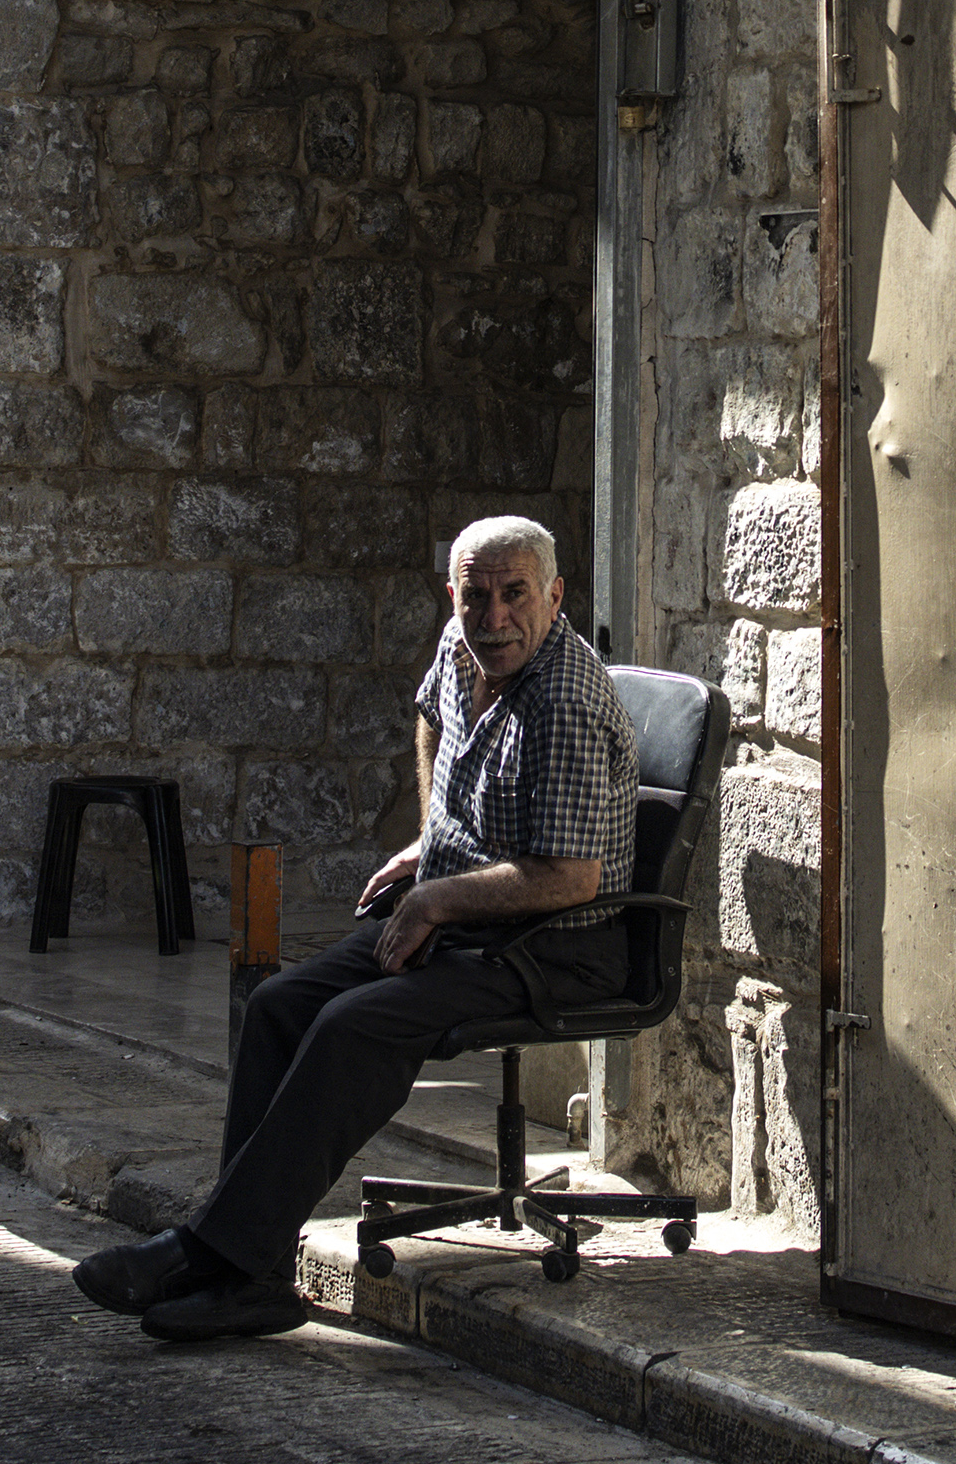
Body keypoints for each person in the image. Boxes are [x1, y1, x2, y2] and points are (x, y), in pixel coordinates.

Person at [75, 512, 638, 1342]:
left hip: (559, 945)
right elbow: (429, 721)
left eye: (515, 595)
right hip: (470, 914)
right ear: (454, 596)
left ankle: (209, 1250)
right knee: (279, 1005)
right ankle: (256, 1276)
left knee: (351, 1027)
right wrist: (434, 838)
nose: (494, 618)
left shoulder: (567, 698)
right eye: (475, 597)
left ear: (554, 597)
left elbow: (570, 878)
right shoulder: (461, 646)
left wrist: (438, 898)